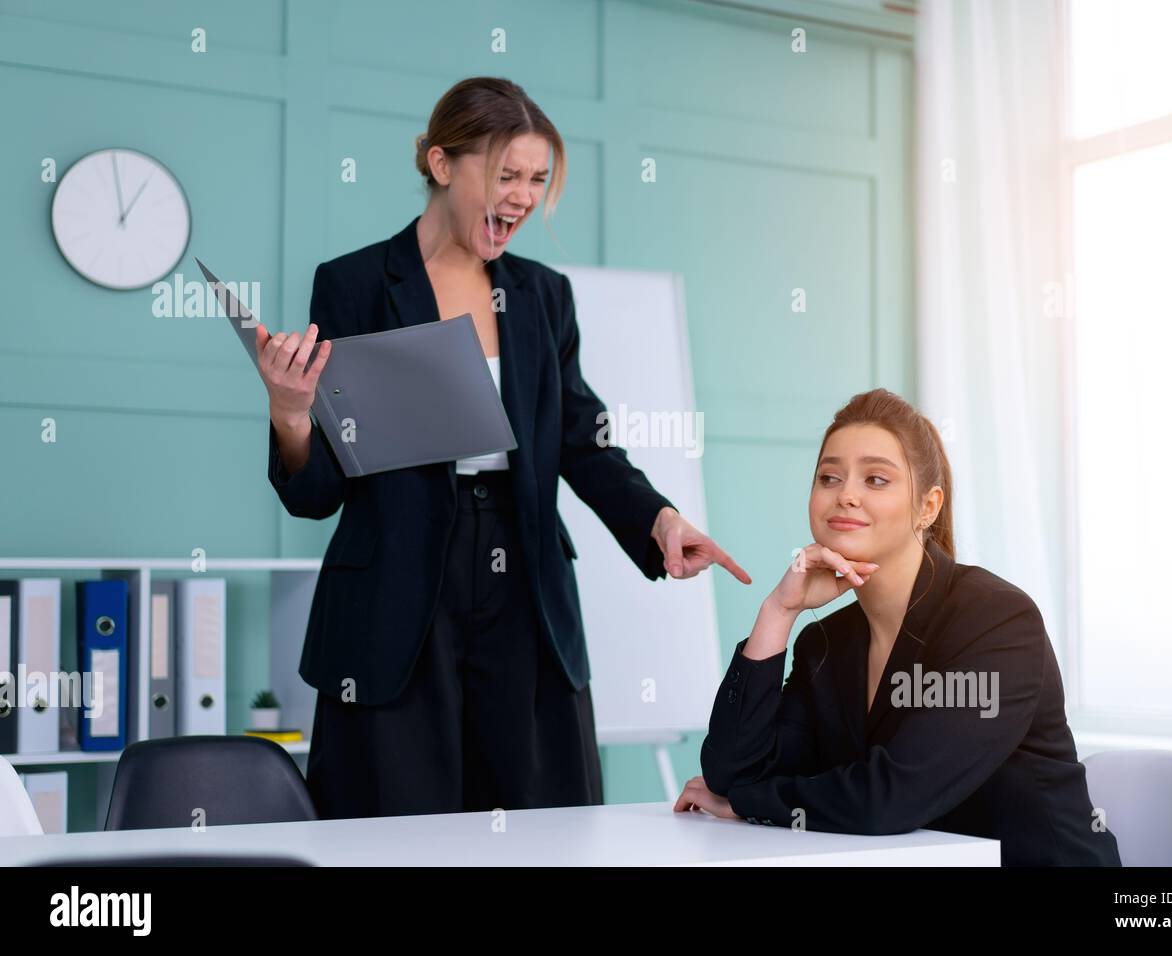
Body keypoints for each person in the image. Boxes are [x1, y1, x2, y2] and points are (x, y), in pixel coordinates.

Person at [257, 76, 750, 819]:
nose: (522, 196)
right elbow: (319, 490)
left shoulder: (542, 295)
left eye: (538, 179)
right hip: (394, 584)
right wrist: (292, 413)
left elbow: (584, 442)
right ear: (441, 163)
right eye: (505, 174)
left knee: (534, 816)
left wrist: (658, 520)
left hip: (523, 584)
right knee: (394, 821)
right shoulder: (356, 284)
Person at [674, 388, 1121, 866]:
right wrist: (778, 612)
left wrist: (749, 805)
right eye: (829, 477)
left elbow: (890, 796)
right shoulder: (825, 642)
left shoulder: (998, 622)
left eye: (876, 479)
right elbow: (732, 772)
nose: (846, 494)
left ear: (928, 507)